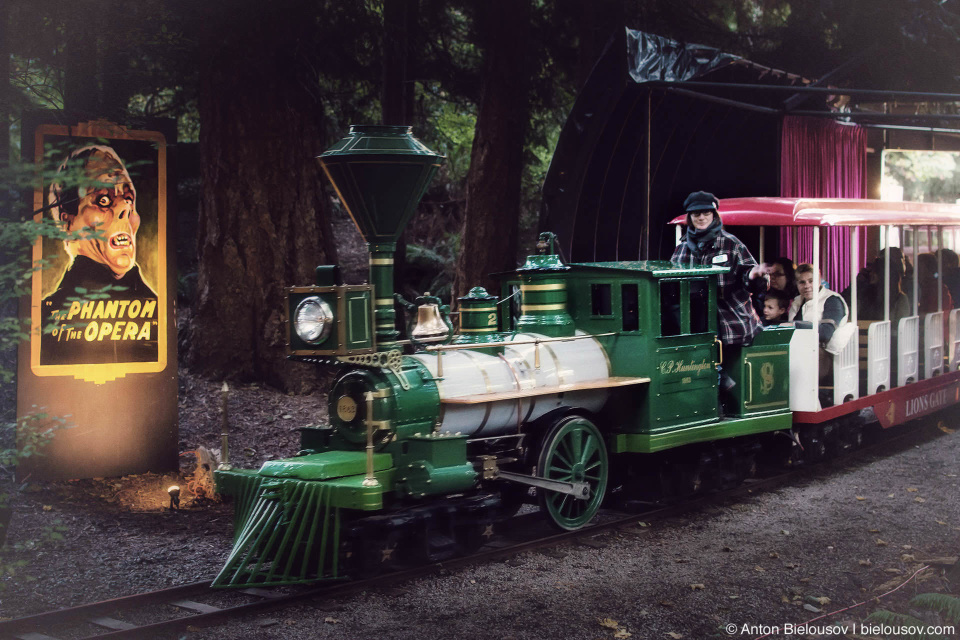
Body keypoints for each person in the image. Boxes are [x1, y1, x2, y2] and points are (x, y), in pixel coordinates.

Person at [40, 145, 158, 365]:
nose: (126, 208)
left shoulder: (156, 309)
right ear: (68, 221)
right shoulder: (47, 317)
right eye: (103, 200)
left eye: (129, 198)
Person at [671, 191, 771, 394]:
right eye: (696, 214)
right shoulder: (681, 248)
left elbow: (751, 279)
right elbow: (672, 284)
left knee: (707, 327)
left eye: (705, 213)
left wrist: (754, 275)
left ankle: (719, 380)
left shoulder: (730, 243)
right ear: (689, 217)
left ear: (714, 215)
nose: (700, 218)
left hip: (728, 315)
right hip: (694, 316)